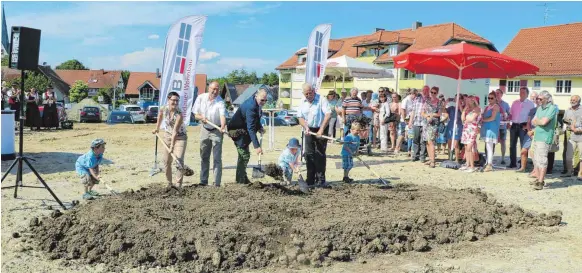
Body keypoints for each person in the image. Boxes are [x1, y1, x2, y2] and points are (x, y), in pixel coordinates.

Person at [227, 89, 267, 184]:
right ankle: (240, 180)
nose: (264, 102)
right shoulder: (251, 107)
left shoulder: (256, 103)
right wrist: (257, 146)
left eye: (265, 100)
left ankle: (242, 178)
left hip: (244, 131)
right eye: (262, 100)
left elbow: (255, 119)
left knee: (243, 155)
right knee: (244, 155)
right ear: (256, 96)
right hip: (236, 131)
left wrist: (260, 127)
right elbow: (251, 128)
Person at [192, 81, 227, 187]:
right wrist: (201, 118)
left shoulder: (220, 102)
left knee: (217, 158)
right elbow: (195, 114)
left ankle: (216, 183)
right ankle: (203, 181)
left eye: (217, 89)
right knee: (204, 156)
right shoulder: (201, 98)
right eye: (213, 89)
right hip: (204, 129)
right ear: (209, 88)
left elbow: (222, 116)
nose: (215, 91)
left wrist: (222, 126)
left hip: (216, 130)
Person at [297, 83, 332, 187]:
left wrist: (321, 129)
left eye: (310, 92)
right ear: (304, 94)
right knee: (309, 154)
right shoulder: (302, 101)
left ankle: (320, 180)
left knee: (320, 155)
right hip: (309, 130)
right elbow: (300, 117)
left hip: (321, 128)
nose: (309, 95)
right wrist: (306, 127)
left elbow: (328, 114)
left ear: (314, 91)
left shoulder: (321, 99)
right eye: (306, 94)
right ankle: (310, 179)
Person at [152, 92, 188, 188]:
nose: (175, 102)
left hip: (180, 137)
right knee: (166, 161)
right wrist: (157, 128)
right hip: (167, 135)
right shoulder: (164, 109)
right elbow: (160, 117)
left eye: (177, 100)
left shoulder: (179, 115)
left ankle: (178, 185)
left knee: (178, 160)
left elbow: (175, 131)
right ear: (168, 100)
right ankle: (169, 183)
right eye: (173, 100)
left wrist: (171, 146)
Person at [530, 90, 558, 190]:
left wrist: (538, 121)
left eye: (540, 99)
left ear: (547, 99)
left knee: (542, 160)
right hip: (537, 136)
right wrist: (538, 121)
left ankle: (541, 182)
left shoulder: (552, 108)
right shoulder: (539, 108)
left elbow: (544, 122)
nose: (538, 100)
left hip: (545, 137)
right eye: (538, 98)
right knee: (536, 159)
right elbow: (534, 122)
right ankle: (538, 179)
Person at [508, 87, 536, 168]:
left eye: (523, 92)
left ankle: (522, 164)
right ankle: (512, 163)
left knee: (523, 146)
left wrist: (528, 126)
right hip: (514, 125)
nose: (521, 94)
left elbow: (532, 116)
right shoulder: (514, 102)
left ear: (527, 94)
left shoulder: (531, 104)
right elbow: (511, 114)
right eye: (520, 92)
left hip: (523, 126)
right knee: (512, 145)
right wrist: (508, 121)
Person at [421, 86, 446, 168]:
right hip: (426, 123)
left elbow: (439, 114)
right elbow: (422, 113)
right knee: (427, 142)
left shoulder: (439, 102)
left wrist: (430, 115)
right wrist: (427, 116)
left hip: (433, 124)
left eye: (435, 93)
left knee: (431, 142)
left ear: (437, 93)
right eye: (431, 92)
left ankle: (433, 161)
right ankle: (430, 158)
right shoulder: (427, 101)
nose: (433, 94)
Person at [481, 91, 501, 172]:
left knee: (489, 147)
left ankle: (489, 164)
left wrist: (483, 120)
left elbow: (492, 118)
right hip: (487, 128)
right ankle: (488, 162)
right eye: (488, 98)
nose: (490, 99)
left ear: (496, 98)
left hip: (492, 128)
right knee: (487, 146)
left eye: (491, 98)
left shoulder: (495, 107)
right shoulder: (488, 106)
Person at [562, 95, 582, 178]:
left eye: (574, 100)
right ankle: (569, 172)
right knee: (568, 155)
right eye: (571, 100)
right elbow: (564, 120)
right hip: (571, 135)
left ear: (578, 101)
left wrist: (576, 127)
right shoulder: (568, 110)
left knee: (581, 156)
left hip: (581, 136)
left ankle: (580, 173)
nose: (572, 101)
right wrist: (569, 123)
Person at [460, 97, 481, 172]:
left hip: (472, 129)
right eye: (468, 100)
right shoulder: (467, 109)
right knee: (466, 147)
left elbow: (471, 119)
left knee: (470, 147)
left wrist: (466, 119)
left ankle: (472, 166)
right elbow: (462, 119)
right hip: (466, 129)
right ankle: (467, 164)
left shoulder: (477, 109)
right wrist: (464, 110)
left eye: (471, 100)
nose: (469, 101)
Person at [520, 91, 538, 172]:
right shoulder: (532, 110)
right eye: (534, 98)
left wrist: (533, 132)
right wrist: (528, 130)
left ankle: (535, 169)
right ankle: (522, 168)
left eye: (537, 98)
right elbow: (528, 121)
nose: (536, 100)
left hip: (538, 133)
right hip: (529, 132)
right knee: (524, 151)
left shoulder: (544, 111)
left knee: (534, 153)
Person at [408, 87, 427, 162]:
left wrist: (419, 92)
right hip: (416, 122)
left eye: (412, 94)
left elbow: (422, 94)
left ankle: (422, 156)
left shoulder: (425, 98)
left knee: (422, 140)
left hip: (424, 122)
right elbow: (413, 111)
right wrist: (410, 121)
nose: (411, 96)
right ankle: (415, 155)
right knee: (415, 139)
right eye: (411, 94)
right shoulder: (415, 100)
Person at [446, 94, 464, 163]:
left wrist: (459, 104)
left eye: (459, 99)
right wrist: (446, 102)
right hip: (450, 126)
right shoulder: (451, 108)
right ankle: (449, 158)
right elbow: (443, 110)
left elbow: (463, 114)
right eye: (456, 99)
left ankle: (456, 159)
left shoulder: (462, 108)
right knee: (450, 143)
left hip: (458, 127)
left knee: (456, 144)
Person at [496, 89, 511, 164]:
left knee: (503, 142)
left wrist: (507, 117)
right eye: (496, 93)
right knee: (491, 142)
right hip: (494, 127)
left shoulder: (505, 104)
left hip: (502, 126)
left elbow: (510, 114)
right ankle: (489, 158)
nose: (497, 94)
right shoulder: (492, 103)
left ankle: (503, 158)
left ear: (501, 95)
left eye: (498, 93)